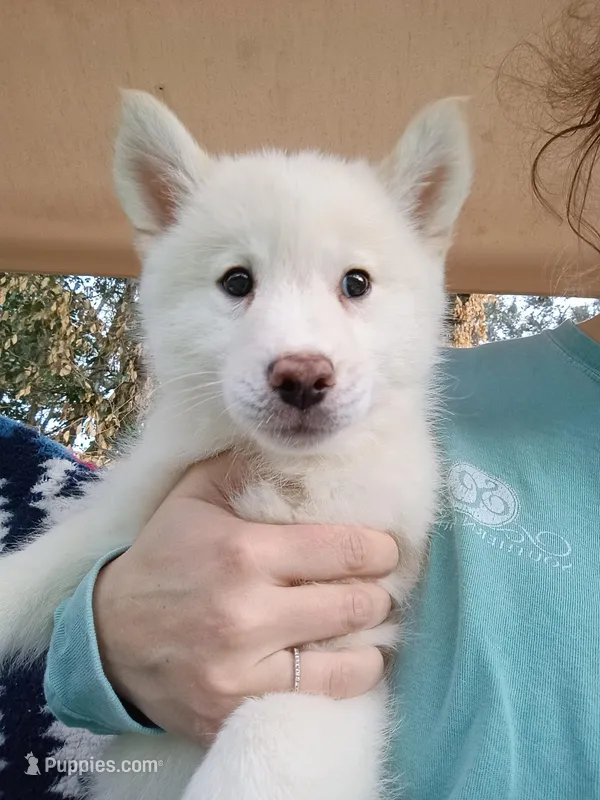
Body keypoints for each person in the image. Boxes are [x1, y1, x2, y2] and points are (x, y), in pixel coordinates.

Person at [1, 3, 599, 798]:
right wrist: (110, 637)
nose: (298, 355)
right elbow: (80, 567)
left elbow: (332, 679)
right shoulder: (466, 406)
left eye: (355, 283)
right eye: (237, 283)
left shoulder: (398, 461)